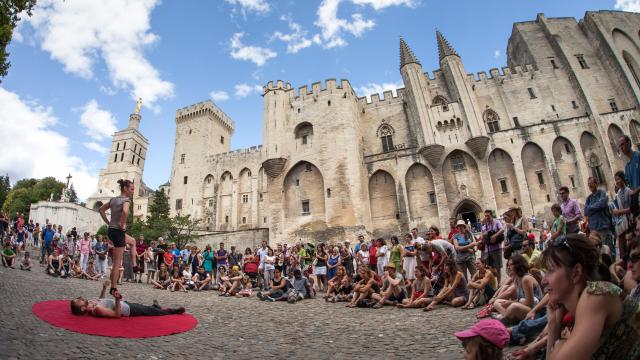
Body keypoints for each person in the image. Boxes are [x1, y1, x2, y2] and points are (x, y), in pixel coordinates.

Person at [543, 235, 640, 359]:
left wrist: (560, 346)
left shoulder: (595, 294)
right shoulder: (582, 306)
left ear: (576, 273)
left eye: (550, 271)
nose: (544, 281)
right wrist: (553, 325)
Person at [98, 179, 137, 297]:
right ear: (125, 188)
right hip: (118, 231)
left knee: (133, 241)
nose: (133, 191)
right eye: (132, 189)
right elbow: (125, 212)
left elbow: (101, 209)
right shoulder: (126, 200)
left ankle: (134, 265)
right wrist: (122, 223)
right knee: (117, 263)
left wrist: (108, 222)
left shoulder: (113, 200)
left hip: (111, 230)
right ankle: (113, 288)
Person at [71, 281, 185, 317]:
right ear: (82, 309)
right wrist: (116, 299)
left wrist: (104, 288)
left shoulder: (91, 303)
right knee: (152, 312)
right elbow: (116, 315)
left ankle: (155, 306)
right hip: (127, 309)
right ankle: (173, 311)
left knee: (145, 308)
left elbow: (102, 300)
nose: (80, 298)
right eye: (78, 300)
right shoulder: (96, 310)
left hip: (124, 304)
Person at [492, 254, 541, 323]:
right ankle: (507, 317)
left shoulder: (526, 279)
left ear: (518, 265)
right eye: (508, 265)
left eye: (511, 265)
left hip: (534, 310)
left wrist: (511, 302)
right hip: (523, 306)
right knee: (497, 302)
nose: (508, 267)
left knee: (513, 306)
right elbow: (520, 298)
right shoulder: (516, 279)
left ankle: (504, 317)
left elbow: (529, 303)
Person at [584, 176, 616, 258]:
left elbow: (602, 204)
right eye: (588, 184)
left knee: (608, 248)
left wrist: (591, 208)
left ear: (596, 184)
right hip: (593, 229)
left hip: (603, 226)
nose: (590, 186)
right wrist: (595, 207)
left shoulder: (602, 193)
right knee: (598, 251)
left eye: (591, 184)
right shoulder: (588, 198)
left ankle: (612, 266)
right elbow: (585, 211)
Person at [612, 170, 632, 264]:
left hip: (631, 220)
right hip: (624, 222)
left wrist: (619, 212)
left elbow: (631, 208)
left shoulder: (628, 191)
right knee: (622, 243)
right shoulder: (618, 193)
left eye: (618, 179)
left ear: (623, 179)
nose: (617, 182)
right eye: (616, 180)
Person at [620, 135, 640, 218]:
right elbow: (630, 187)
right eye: (620, 146)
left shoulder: (638, 156)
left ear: (629, 143)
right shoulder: (627, 167)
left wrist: (635, 191)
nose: (621, 147)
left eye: (622, 144)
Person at [480, 209, 503, 283]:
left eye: (488, 216)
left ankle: (499, 283)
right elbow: (482, 237)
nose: (486, 217)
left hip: (496, 248)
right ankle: (493, 282)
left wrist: (495, 235)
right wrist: (483, 236)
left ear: (491, 215)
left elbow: (502, 230)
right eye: (485, 216)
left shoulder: (496, 222)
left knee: (498, 267)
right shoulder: (484, 225)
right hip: (487, 249)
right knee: (489, 268)